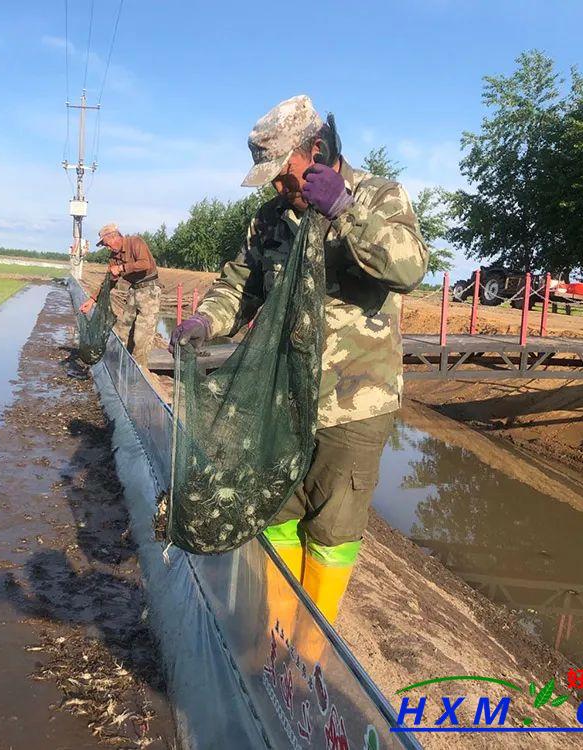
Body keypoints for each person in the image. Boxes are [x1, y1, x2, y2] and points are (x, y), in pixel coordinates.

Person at [170, 95, 428, 624]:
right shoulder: (269, 220)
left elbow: (408, 268)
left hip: (354, 401)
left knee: (332, 530)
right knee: (276, 512)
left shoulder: (378, 195)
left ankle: (312, 646)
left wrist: (346, 212)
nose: (275, 186)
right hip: (282, 397)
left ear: (317, 149)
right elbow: (240, 287)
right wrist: (205, 321)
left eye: (281, 173)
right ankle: (278, 632)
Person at [80, 223, 162, 369]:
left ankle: (137, 373)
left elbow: (145, 264)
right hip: (133, 291)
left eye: (107, 244)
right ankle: (119, 366)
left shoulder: (135, 242)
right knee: (122, 331)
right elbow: (109, 281)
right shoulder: (114, 257)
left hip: (149, 291)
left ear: (114, 237)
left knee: (141, 337)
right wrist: (92, 300)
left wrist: (122, 268)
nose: (107, 248)